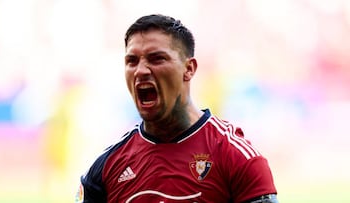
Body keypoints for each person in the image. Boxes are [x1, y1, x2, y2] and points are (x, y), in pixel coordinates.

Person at [76, 14, 278, 203]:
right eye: (132, 61)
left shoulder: (237, 157)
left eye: (157, 59)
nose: (141, 70)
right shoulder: (104, 169)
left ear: (189, 69)